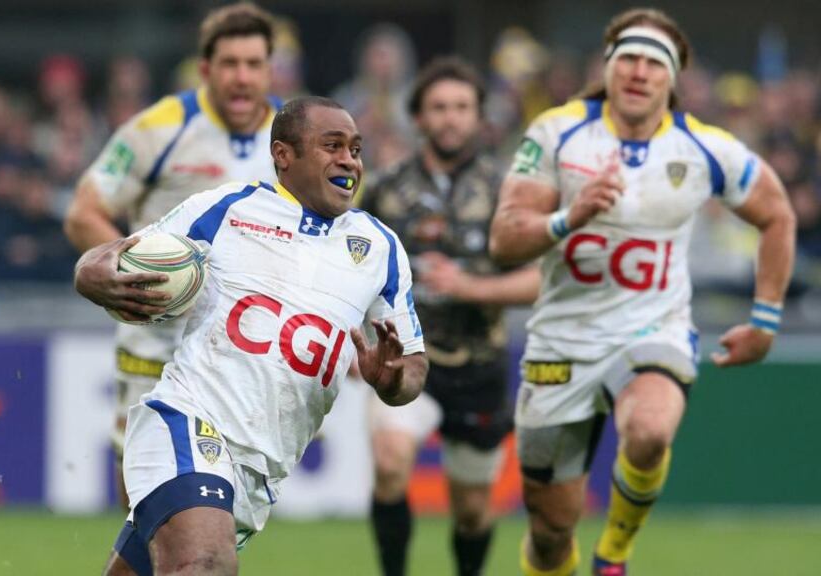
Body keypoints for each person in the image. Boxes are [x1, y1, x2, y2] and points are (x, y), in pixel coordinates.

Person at [488, 8, 795, 576]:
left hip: (653, 328)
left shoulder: (706, 148)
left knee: (651, 428)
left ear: (671, 80)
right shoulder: (557, 132)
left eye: (654, 63)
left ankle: (615, 553)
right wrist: (567, 218)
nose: (638, 71)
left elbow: (777, 213)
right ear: (606, 69)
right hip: (561, 342)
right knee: (551, 531)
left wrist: (767, 318)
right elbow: (505, 241)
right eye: (627, 58)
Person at [75, 96, 429, 576]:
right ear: (284, 155)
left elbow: (412, 366)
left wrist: (392, 379)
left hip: (260, 469)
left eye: (356, 149)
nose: (349, 160)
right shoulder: (227, 207)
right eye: (332, 146)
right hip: (187, 420)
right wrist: (92, 273)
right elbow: (111, 257)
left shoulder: (381, 248)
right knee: (206, 565)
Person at [64, 2, 283, 509]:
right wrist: (125, 274)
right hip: (154, 332)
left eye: (254, 64)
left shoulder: (293, 139)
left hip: (243, 339)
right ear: (206, 69)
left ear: (270, 69)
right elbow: (84, 211)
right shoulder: (161, 127)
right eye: (230, 64)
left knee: (229, 489)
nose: (242, 77)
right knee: (138, 482)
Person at [358, 56, 540, 576]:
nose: (450, 118)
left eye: (462, 107)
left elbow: (542, 279)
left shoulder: (511, 191)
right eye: (438, 107)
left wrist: (472, 286)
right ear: (418, 117)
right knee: (391, 464)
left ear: (480, 117)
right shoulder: (386, 189)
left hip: (478, 364)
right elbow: (347, 265)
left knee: (472, 510)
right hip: (404, 355)